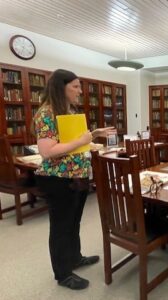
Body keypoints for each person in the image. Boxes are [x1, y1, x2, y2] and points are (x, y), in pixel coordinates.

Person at [34, 69, 116, 290]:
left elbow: (75, 143)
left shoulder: (68, 110)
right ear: (62, 87)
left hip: (77, 177)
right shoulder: (46, 113)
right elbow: (47, 151)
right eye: (76, 87)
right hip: (57, 179)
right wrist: (82, 139)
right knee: (61, 227)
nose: (80, 91)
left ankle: (75, 258)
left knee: (74, 222)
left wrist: (93, 134)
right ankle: (62, 274)